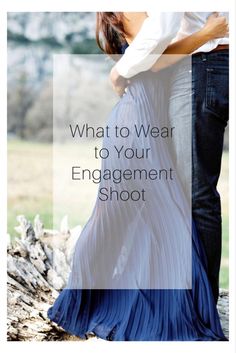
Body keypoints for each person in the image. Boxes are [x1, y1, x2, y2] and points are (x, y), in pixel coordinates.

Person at [47, 12, 228, 341]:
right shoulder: (130, 9)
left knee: (148, 213)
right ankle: (76, 302)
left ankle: (168, 305)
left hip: (145, 111)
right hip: (137, 116)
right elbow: (157, 57)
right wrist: (207, 33)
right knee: (114, 212)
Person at [110, 12, 229, 303]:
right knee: (190, 194)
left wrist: (119, 71)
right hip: (202, 66)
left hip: (204, 65)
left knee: (195, 194)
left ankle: (200, 307)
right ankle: (192, 302)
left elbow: (163, 26)